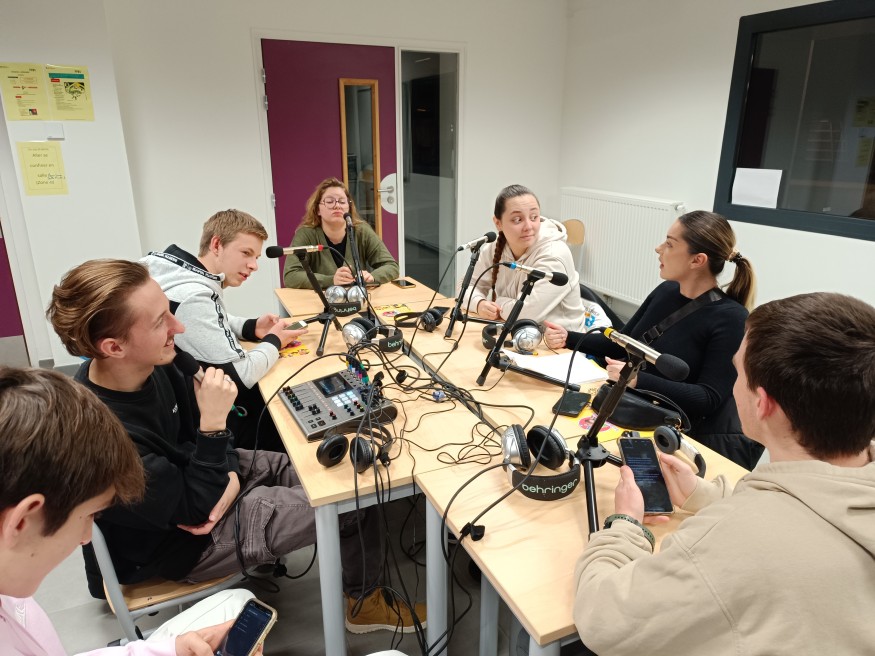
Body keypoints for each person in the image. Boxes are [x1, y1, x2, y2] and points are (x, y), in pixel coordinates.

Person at [46, 259, 423, 634]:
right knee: (351, 501)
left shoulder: (158, 364)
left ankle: (285, 537)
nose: (179, 327)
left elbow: (205, 449)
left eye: (170, 312)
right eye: (161, 322)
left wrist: (227, 474)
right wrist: (215, 433)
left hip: (203, 483)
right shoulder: (105, 439)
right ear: (113, 347)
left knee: (329, 474)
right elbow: (198, 507)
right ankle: (364, 603)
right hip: (183, 545)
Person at [573, 292, 875, 655]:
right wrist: (706, 496)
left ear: (763, 404)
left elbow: (602, 619)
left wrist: (625, 525)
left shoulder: (732, 543)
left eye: (738, 373)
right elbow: (818, 507)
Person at [0, 366, 254, 655]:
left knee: (237, 603)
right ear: (22, 521)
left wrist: (172, 650)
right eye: (89, 515)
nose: (85, 538)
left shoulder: (12, 590)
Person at [544, 211, 761, 469]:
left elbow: (708, 398)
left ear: (697, 260)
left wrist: (638, 379)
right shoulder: (667, 290)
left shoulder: (731, 318)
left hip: (672, 434)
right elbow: (622, 343)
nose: (659, 249)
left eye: (670, 244)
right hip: (631, 409)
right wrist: (568, 338)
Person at [143, 209, 307, 451]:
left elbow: (211, 317)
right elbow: (242, 375)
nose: (254, 266)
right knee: (288, 418)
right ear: (216, 245)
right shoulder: (194, 295)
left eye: (256, 257)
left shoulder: (179, 272)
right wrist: (274, 340)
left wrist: (251, 327)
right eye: (246, 253)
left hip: (175, 403)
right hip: (205, 422)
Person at [461, 184, 592, 332]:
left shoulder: (555, 254)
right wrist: (479, 304)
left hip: (558, 342)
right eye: (517, 220)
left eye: (534, 217)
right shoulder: (495, 247)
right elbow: (466, 286)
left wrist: (499, 302)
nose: (528, 226)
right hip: (517, 332)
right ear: (498, 223)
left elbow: (525, 314)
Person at [283, 177, 399, 289]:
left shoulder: (361, 231)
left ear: (349, 207)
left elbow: (391, 266)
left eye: (342, 202)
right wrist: (331, 280)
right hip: (321, 299)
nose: (337, 206)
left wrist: (372, 277)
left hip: (358, 297)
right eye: (330, 201)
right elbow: (291, 275)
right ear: (317, 209)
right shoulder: (306, 234)